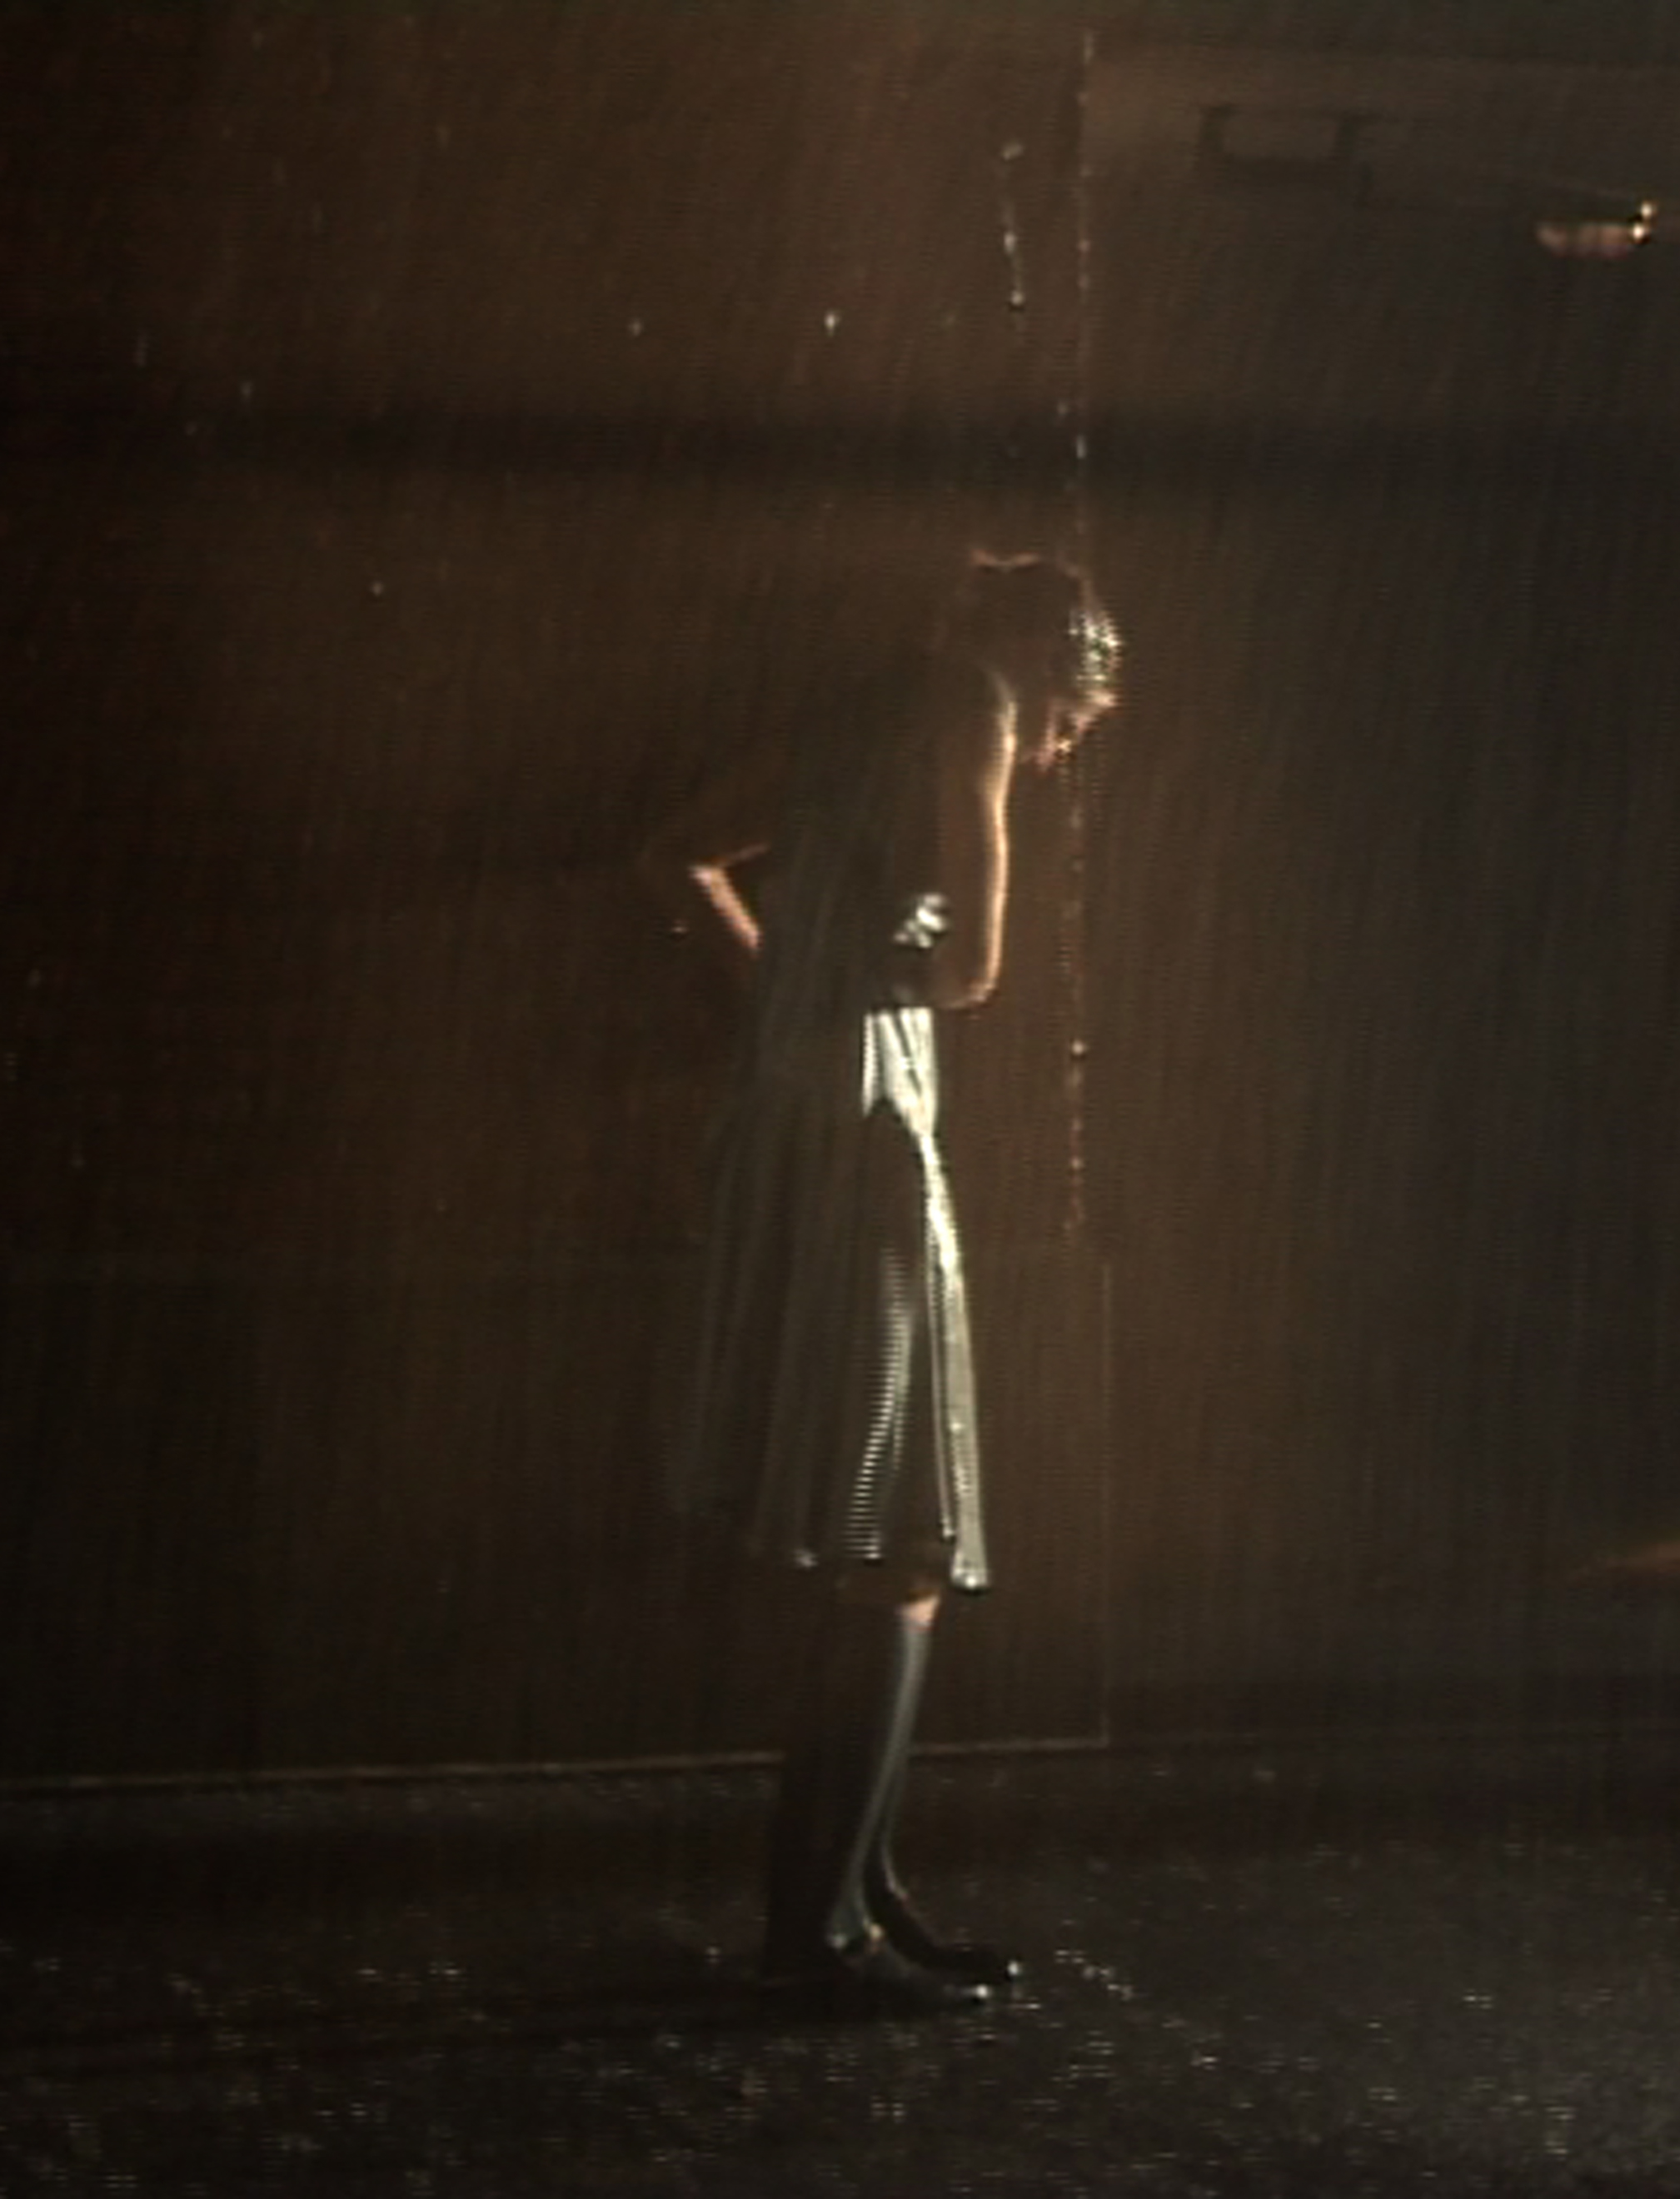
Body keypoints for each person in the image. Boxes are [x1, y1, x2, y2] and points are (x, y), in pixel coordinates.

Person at [646, 551, 1120, 2017]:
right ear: (1047, 672)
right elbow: (975, 962)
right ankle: (822, 1930)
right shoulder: (971, 705)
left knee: (867, 1519)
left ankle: (855, 1885)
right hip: (867, 1112)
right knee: (904, 1532)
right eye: (1070, 726)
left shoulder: (849, 717)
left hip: (789, 1103)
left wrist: (791, 991)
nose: (1053, 755)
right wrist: (873, 976)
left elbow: (670, 858)